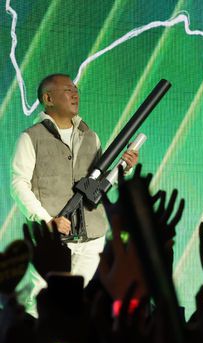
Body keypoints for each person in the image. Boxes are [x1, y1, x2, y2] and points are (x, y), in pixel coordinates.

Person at [11, 73, 138, 286]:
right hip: (53, 238)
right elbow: (19, 184)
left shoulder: (91, 136)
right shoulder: (30, 137)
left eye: (76, 90)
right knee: (41, 297)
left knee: (79, 298)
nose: (75, 95)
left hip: (92, 236)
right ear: (48, 98)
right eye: (68, 90)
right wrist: (47, 222)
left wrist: (125, 168)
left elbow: (98, 183)